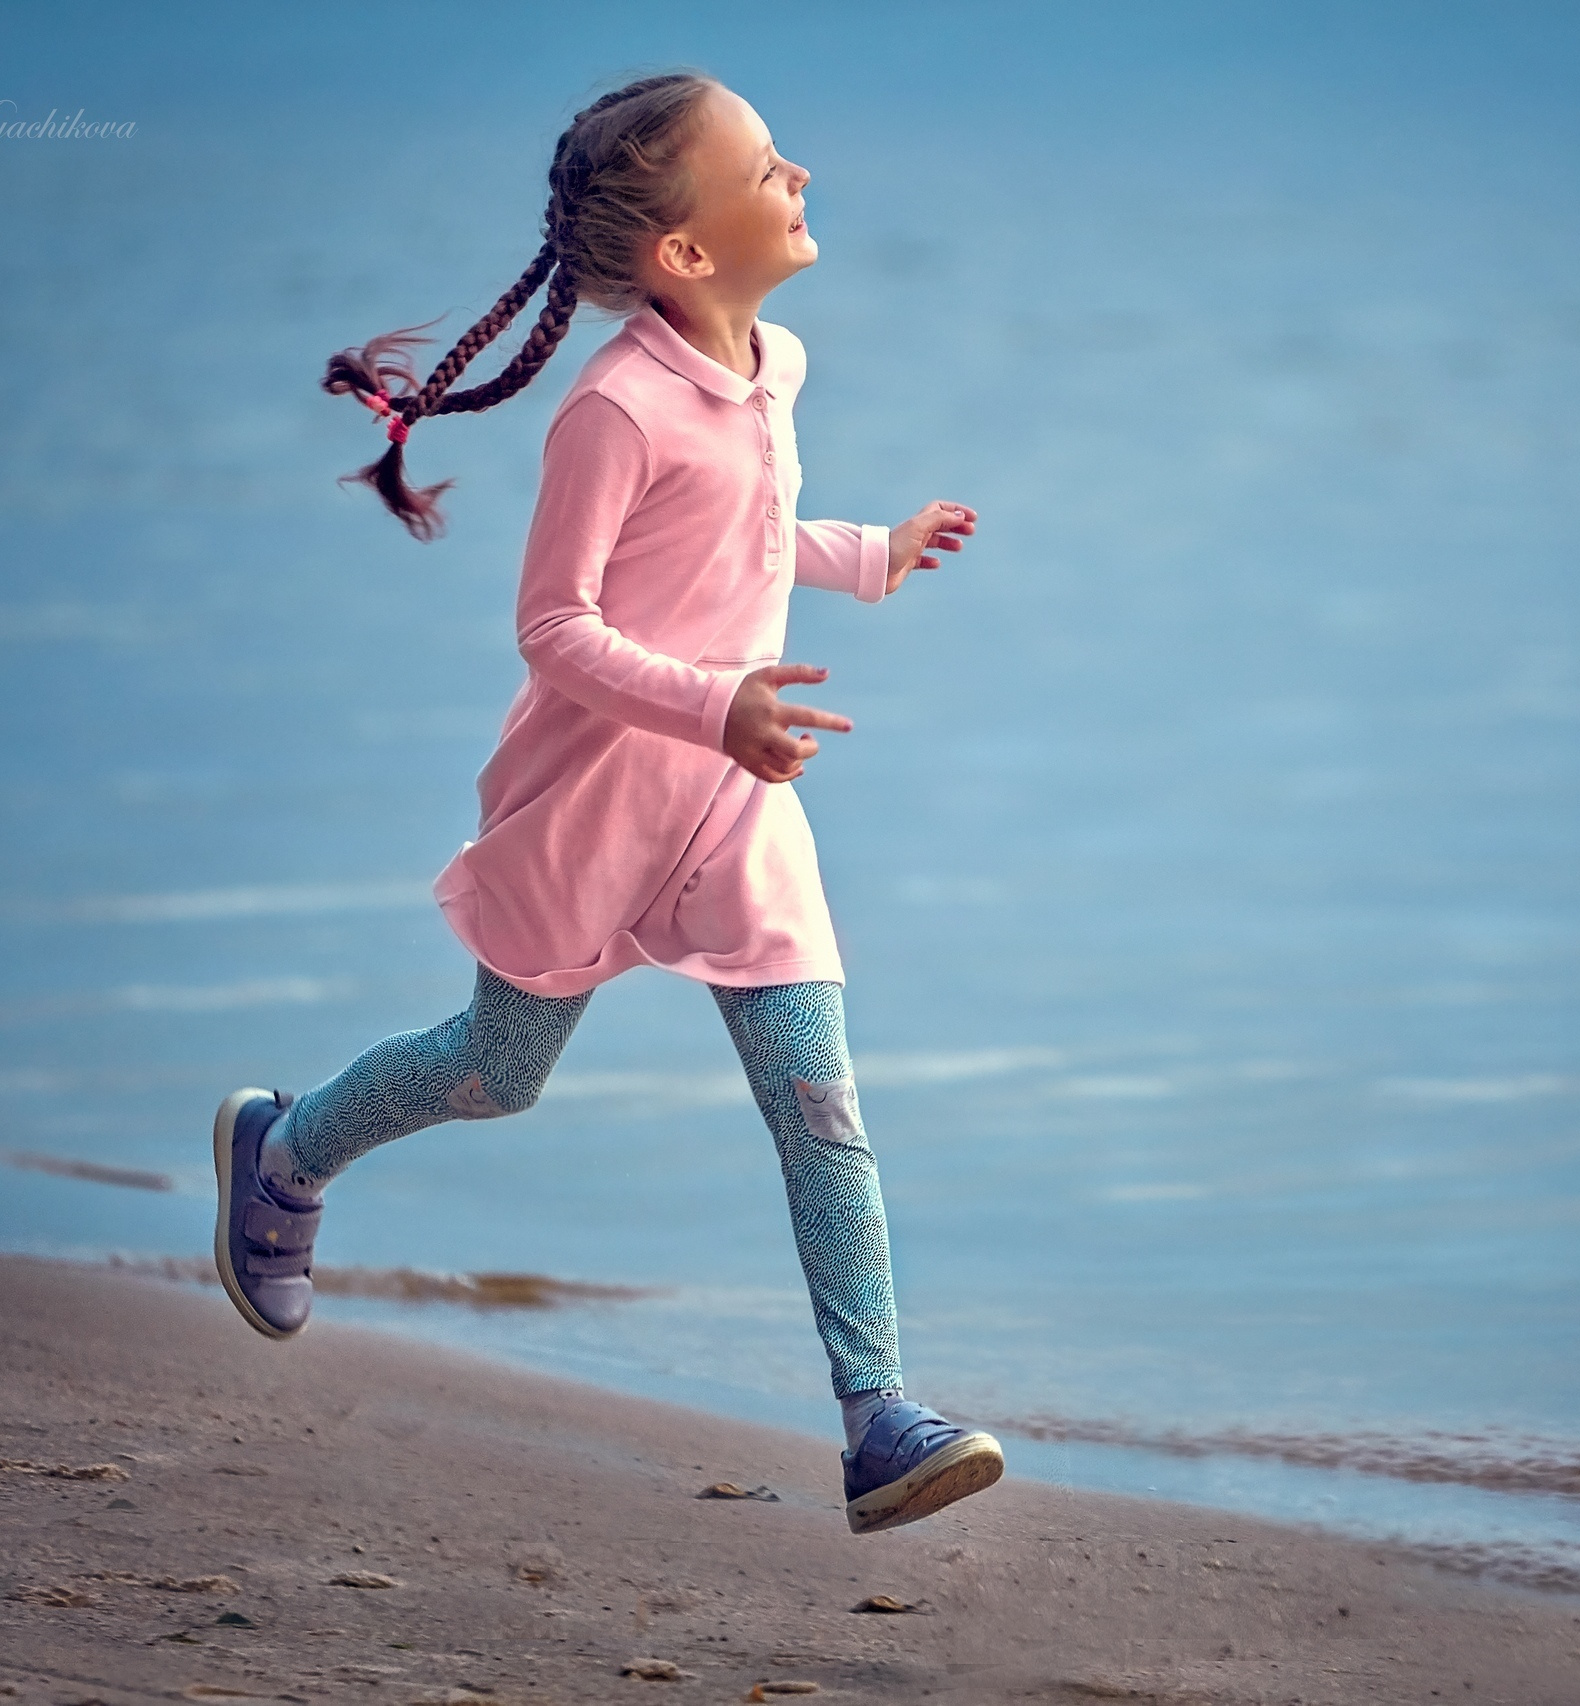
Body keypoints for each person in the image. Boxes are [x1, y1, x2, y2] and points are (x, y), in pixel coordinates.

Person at [208, 70, 1002, 1537]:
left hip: (739, 807)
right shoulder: (615, 408)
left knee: (818, 1100)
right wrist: (718, 701)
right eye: (767, 168)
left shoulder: (777, 365)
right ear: (685, 253)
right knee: (498, 1072)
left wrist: (870, 553)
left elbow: (742, 543)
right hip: (600, 796)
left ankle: (878, 1415)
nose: (801, 174)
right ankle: (286, 1150)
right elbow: (554, 627)